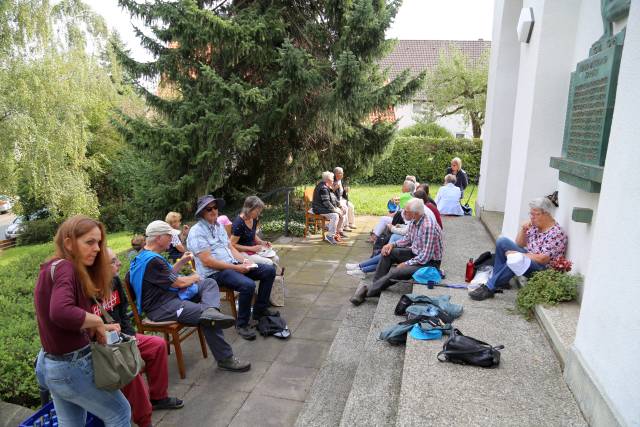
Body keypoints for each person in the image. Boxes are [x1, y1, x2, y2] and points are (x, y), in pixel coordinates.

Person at [34, 215, 131, 426]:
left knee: (71, 423)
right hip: (72, 366)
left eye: (98, 242)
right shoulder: (66, 268)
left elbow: (58, 322)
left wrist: (99, 325)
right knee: (120, 413)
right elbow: (60, 312)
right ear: (68, 243)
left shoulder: (50, 267)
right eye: (89, 242)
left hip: (53, 366)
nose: (97, 248)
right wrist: (96, 321)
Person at [128, 220, 250, 372]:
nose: (172, 240)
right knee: (208, 318)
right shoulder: (153, 261)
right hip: (162, 308)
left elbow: (166, 276)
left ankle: (211, 310)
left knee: (209, 283)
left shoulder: (145, 256)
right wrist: (194, 277)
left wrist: (182, 262)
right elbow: (177, 283)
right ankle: (225, 358)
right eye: (169, 236)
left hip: (169, 298)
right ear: (159, 238)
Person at [102, 248, 182, 427]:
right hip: (103, 348)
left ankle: (158, 397)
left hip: (122, 337)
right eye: (113, 261)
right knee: (130, 370)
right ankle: (144, 420)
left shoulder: (114, 281)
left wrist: (130, 338)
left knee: (157, 345)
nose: (119, 263)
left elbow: (122, 314)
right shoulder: (87, 292)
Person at [187, 195, 278, 341]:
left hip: (231, 265)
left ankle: (260, 311)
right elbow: (207, 262)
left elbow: (231, 248)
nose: (213, 211)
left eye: (215, 207)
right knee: (247, 285)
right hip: (214, 273)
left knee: (269, 270)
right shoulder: (196, 232)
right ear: (202, 212)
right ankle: (241, 324)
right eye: (209, 208)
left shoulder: (218, 227)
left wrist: (245, 261)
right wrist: (236, 268)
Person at [469, 197, 568, 301]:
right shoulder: (536, 225)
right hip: (530, 259)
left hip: (542, 269)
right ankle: (499, 281)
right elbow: (519, 243)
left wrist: (520, 255)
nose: (532, 217)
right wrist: (524, 229)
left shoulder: (556, 233)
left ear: (546, 214)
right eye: (531, 214)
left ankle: (489, 287)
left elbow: (543, 259)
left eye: (535, 214)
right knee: (502, 242)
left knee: (516, 258)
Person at [350, 198, 443, 305]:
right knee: (388, 253)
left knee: (396, 272)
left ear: (415, 213)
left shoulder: (428, 226)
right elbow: (407, 239)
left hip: (429, 262)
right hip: (417, 254)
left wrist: (406, 263)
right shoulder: (415, 221)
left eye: (406, 211)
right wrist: (391, 244)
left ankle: (368, 291)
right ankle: (376, 287)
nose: (403, 212)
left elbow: (425, 257)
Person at [230, 196, 281, 268]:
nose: (259, 214)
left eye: (260, 211)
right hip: (241, 253)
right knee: (268, 263)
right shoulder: (238, 223)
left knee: (276, 259)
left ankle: (270, 277)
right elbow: (232, 245)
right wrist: (251, 248)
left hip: (253, 250)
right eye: (257, 211)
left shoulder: (254, 219)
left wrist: (262, 242)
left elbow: (252, 234)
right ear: (249, 209)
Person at [312, 171, 345, 245]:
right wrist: (335, 209)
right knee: (335, 215)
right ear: (327, 179)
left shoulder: (327, 186)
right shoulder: (323, 188)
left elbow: (334, 198)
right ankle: (330, 236)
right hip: (319, 208)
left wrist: (339, 206)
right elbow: (326, 202)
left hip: (324, 207)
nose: (333, 180)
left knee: (342, 213)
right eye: (332, 178)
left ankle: (336, 233)